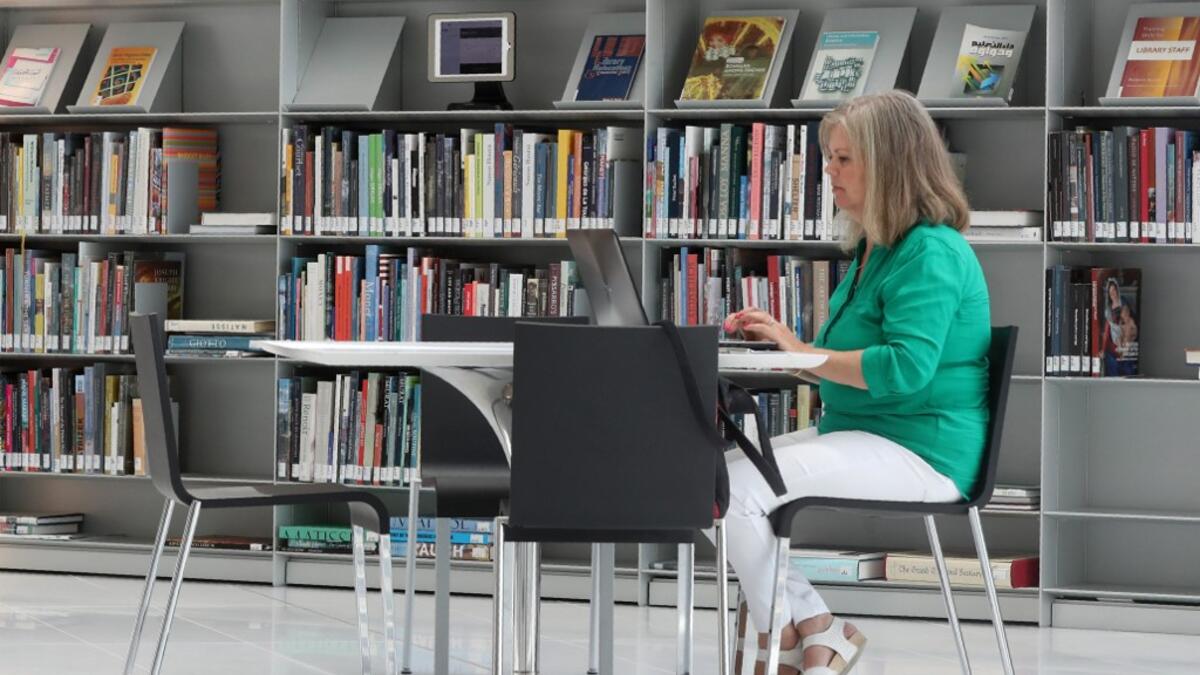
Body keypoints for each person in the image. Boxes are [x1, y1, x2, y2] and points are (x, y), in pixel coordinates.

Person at [719, 90, 991, 675]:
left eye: (844, 159)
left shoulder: (932, 252)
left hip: (922, 448)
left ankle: (786, 643)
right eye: (830, 157)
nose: (829, 172)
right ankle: (814, 630)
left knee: (736, 496)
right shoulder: (877, 248)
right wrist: (785, 347)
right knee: (707, 479)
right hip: (859, 430)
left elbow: (903, 368)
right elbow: (837, 361)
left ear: (890, 165)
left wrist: (805, 355)